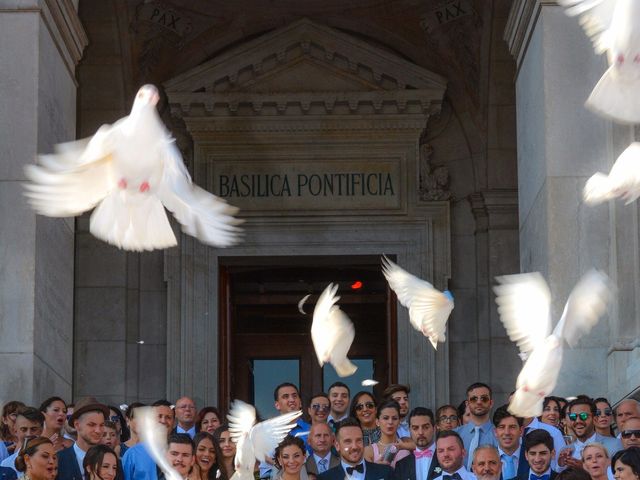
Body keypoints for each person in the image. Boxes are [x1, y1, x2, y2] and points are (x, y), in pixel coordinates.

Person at [317, 417, 393, 480]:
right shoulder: (324, 478)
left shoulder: (386, 472)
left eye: (359, 440)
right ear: (337, 445)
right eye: (348, 441)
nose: (354, 446)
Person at [56, 397, 109, 480]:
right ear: (77, 425)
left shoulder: (112, 461)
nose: (98, 430)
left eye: (101, 425)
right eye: (92, 425)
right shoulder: (59, 460)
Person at [559, 398, 621, 467]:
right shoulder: (565, 451)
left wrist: (585, 469)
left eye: (583, 416)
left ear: (595, 419)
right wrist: (561, 465)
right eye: (573, 417)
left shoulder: (614, 445)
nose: (577, 421)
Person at [122, 400, 175, 480]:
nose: (163, 421)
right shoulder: (132, 454)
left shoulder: (180, 454)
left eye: (168, 417)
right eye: (159, 416)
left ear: (174, 422)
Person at [456, 383, 497, 469]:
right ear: (467, 404)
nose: (479, 402)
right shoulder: (455, 434)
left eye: (484, 399)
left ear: (491, 403)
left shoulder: (499, 435)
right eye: (474, 399)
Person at [393, 407, 441, 480]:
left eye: (425, 427)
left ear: (434, 428)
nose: (420, 432)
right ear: (409, 430)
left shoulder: (445, 458)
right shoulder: (402, 465)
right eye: (415, 428)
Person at [364, 401, 410, 467]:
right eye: (386, 418)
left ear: (399, 421)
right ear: (377, 421)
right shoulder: (369, 451)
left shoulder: (407, 444)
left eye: (394, 418)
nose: (390, 422)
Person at [1, 407, 45, 474]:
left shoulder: (51, 461)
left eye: (33, 429)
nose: (28, 434)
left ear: (41, 430)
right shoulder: (7, 464)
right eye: (24, 429)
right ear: (15, 431)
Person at [492, 406, 527, 480]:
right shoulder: (485, 460)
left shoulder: (533, 457)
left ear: (521, 431)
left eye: (512, 427)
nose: (507, 432)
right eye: (502, 427)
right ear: (495, 432)